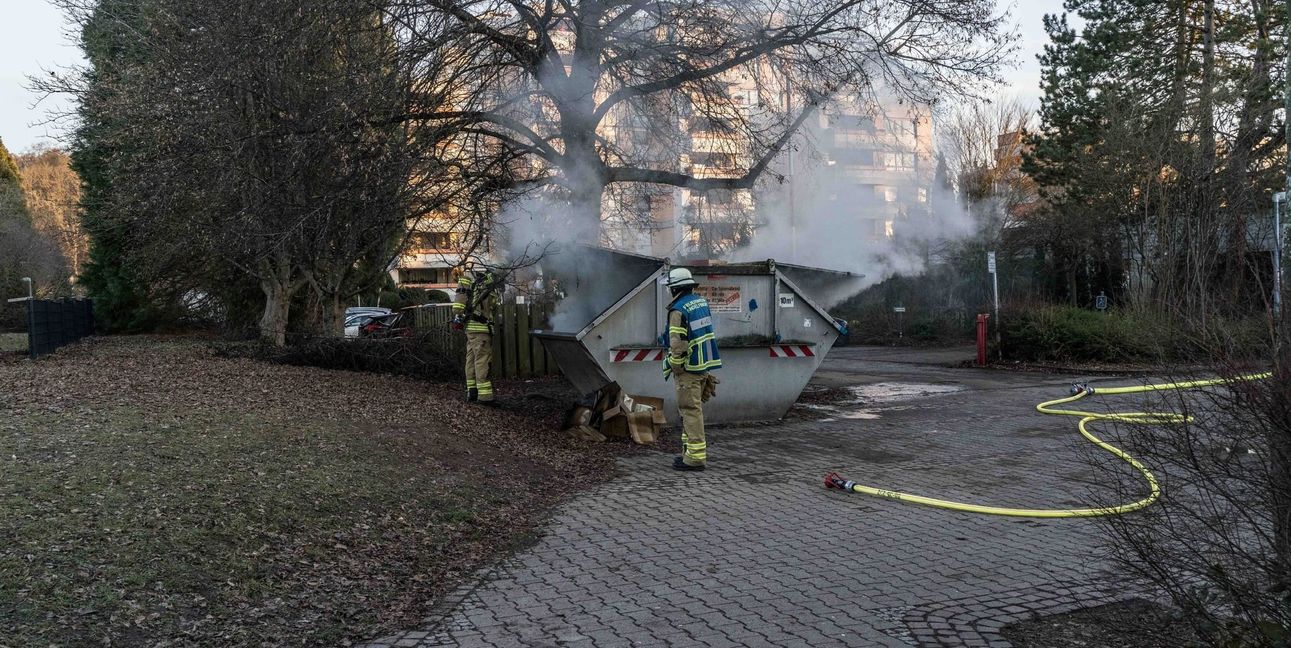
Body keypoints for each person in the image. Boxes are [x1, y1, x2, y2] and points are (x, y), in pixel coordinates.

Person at [662, 267, 721, 471]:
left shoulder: (678, 310)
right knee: (691, 410)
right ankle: (688, 454)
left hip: (688, 368)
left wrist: (675, 366)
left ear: (674, 288)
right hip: (702, 365)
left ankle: (695, 459)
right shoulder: (700, 302)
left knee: (690, 411)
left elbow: (677, 343)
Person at [452, 267, 500, 405]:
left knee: (471, 360)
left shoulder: (474, 287)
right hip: (481, 331)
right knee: (482, 361)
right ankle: (485, 397)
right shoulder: (487, 289)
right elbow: (493, 307)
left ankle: (472, 392)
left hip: (470, 329)